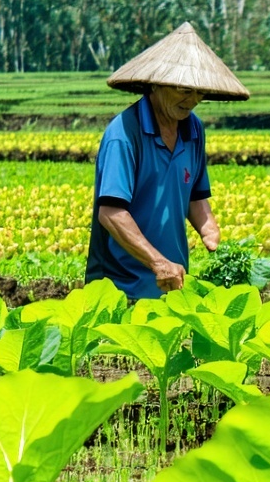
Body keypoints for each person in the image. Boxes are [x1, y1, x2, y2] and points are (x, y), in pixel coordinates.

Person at [87, 22, 250, 299]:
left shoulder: (193, 128)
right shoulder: (124, 134)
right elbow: (111, 214)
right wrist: (158, 263)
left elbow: (194, 195)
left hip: (173, 285)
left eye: (199, 92)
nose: (193, 100)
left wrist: (208, 228)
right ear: (155, 84)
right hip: (120, 290)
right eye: (184, 90)